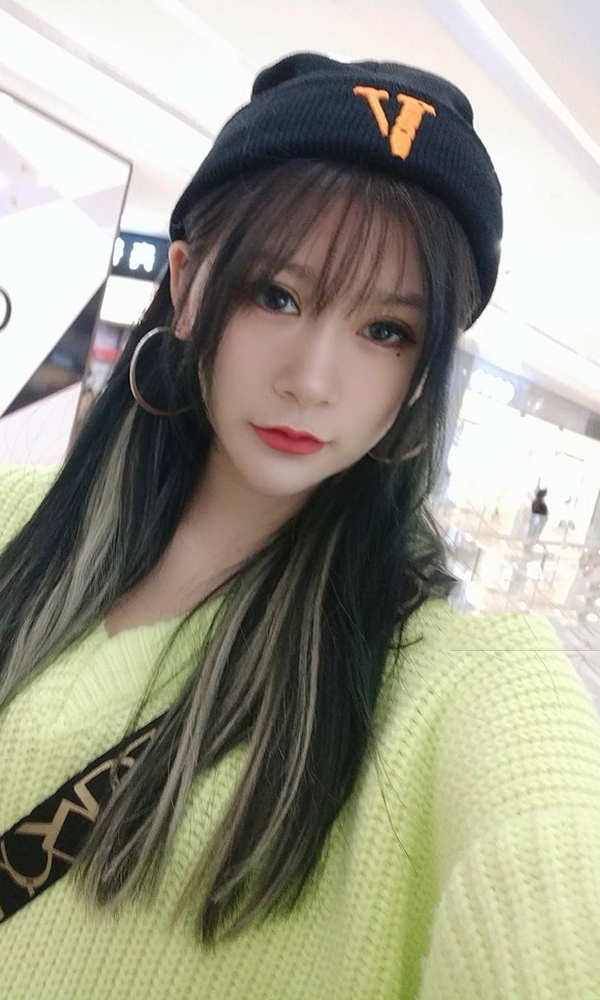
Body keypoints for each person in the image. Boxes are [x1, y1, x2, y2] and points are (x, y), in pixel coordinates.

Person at [0, 52, 599, 1000]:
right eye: (275, 295)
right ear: (188, 285)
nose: (313, 380)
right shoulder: (14, 514)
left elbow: (548, 867)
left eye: (387, 331)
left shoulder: (448, 678)